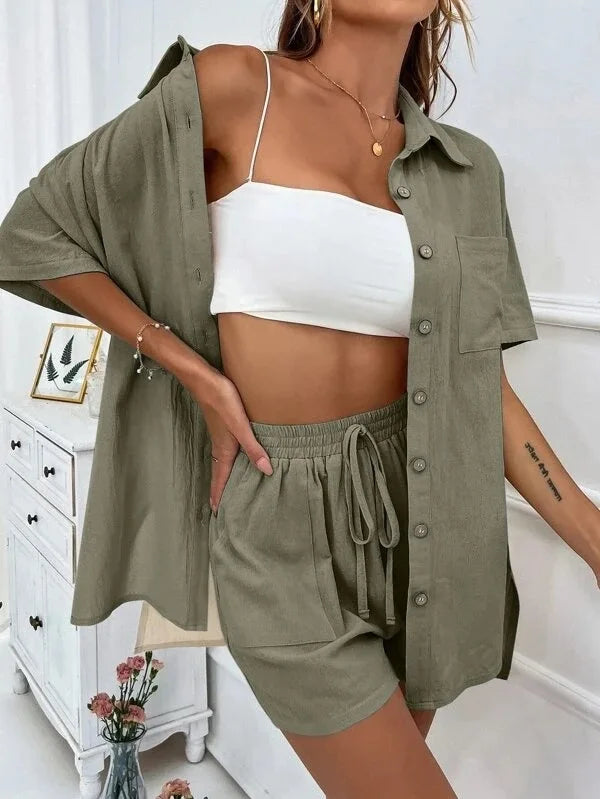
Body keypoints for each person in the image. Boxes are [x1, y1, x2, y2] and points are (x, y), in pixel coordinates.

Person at [1, 3, 599, 798]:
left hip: (428, 523)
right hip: (278, 527)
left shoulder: (467, 170)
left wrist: (592, 536)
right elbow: (33, 233)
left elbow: (480, 387)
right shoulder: (235, 87)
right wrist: (191, 369)